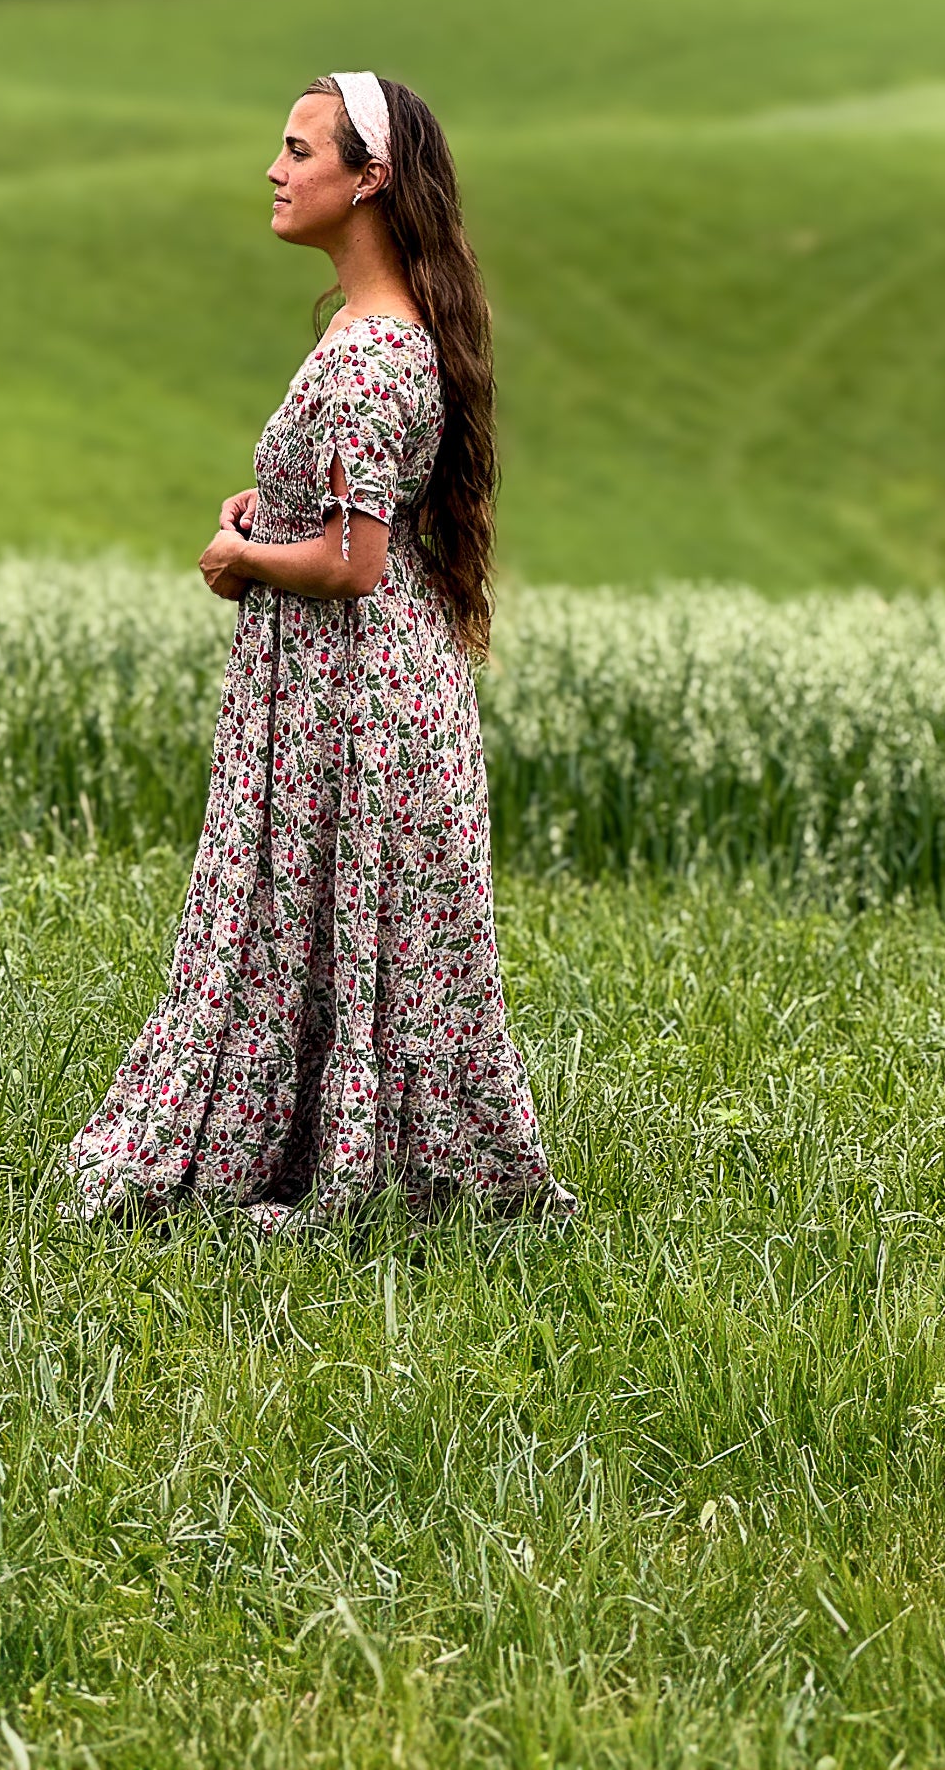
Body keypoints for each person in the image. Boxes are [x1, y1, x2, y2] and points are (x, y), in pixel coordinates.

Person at [60, 71, 575, 1233]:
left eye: (299, 151)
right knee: (344, 928)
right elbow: (358, 507)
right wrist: (275, 501)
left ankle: (339, 1175)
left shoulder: (364, 356)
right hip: (374, 687)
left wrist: (242, 559)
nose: (277, 170)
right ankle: (363, 1159)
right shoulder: (381, 334)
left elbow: (352, 560)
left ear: (369, 179)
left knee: (328, 921)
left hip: (354, 693)